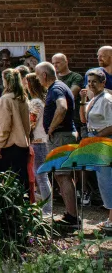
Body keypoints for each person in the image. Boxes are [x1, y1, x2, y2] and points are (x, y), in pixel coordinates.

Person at [37, 61, 79, 226]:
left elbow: (62, 108)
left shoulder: (56, 88)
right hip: (63, 135)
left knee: (63, 175)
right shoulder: (59, 86)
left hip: (61, 136)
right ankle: (71, 214)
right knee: (62, 175)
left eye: (38, 75)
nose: (38, 80)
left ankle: (72, 217)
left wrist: (51, 128)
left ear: (44, 75)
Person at [0, 68, 32, 198]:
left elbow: (4, 125)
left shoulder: (6, 99)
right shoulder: (23, 98)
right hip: (22, 142)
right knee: (20, 178)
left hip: (9, 143)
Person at [81, 68, 112, 231]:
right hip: (96, 140)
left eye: (94, 81)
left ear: (103, 82)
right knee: (103, 180)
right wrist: (82, 100)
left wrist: (97, 136)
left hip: (105, 141)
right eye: (89, 81)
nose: (91, 84)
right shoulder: (94, 98)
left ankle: (111, 221)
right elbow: (83, 119)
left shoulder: (107, 100)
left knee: (108, 180)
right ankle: (110, 219)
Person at [25, 72, 52, 216]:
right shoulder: (41, 100)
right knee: (40, 176)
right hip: (41, 141)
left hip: (38, 141)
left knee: (41, 176)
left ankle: (47, 209)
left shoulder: (35, 102)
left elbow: (32, 122)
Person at [51, 53, 84, 136]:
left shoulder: (75, 77)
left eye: (58, 62)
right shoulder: (53, 79)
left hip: (73, 120)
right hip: (57, 120)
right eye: (53, 63)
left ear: (66, 62)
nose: (55, 65)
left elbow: (71, 95)